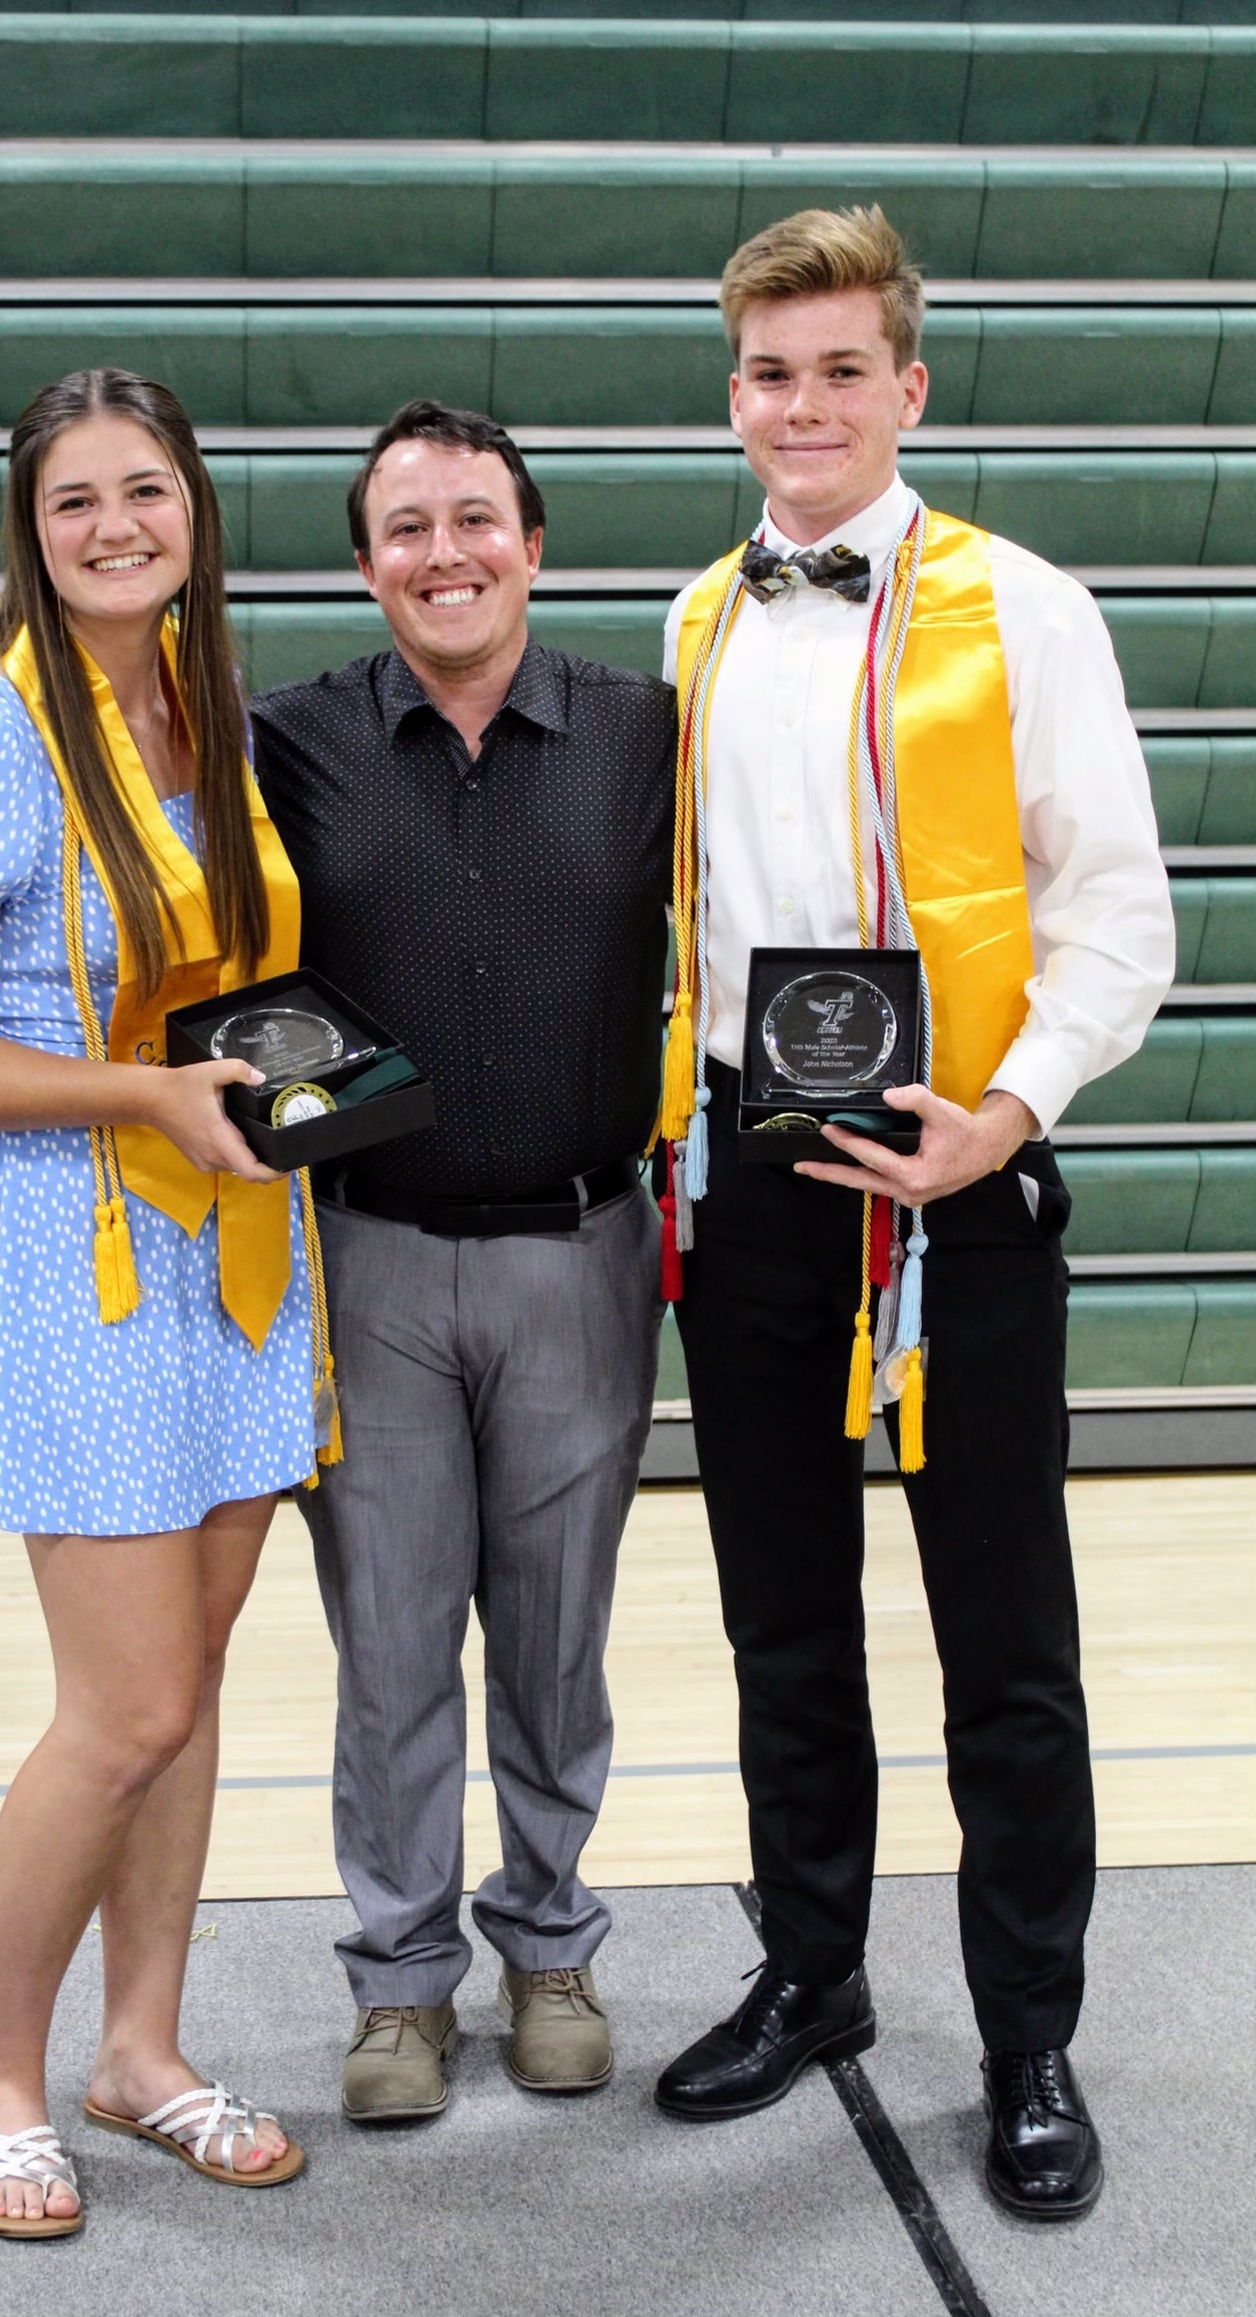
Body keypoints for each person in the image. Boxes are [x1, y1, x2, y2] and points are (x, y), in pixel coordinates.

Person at [650, 211, 1175, 2219]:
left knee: (1003, 1636)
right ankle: (816, 1968)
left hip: (965, 1179)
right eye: (772, 374)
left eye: (842, 370)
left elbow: (1123, 915)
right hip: (759, 1191)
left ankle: (1030, 2033)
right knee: (784, 1619)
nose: (804, 405)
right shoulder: (700, 620)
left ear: (910, 387)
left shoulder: (1023, 609)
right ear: (734, 396)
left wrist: (1005, 1115)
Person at [0, 368, 324, 2237]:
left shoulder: (210, 717)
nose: (117, 524)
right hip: (77, 1263)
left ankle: (144, 2048)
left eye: (146, 489)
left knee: (191, 1694)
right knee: (117, 1709)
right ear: (30, 538)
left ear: (193, 506)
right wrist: (138, 1093)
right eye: (75, 504)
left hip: (236, 1251)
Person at [250, 400, 675, 2122]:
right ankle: (402, 1983)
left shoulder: (652, 734)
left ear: (534, 544)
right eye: (408, 528)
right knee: (394, 1639)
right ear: (365, 565)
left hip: (583, 1248)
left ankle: (552, 1940)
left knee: (559, 1636)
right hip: (369, 1259)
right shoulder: (291, 742)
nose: (447, 553)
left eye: (477, 519)